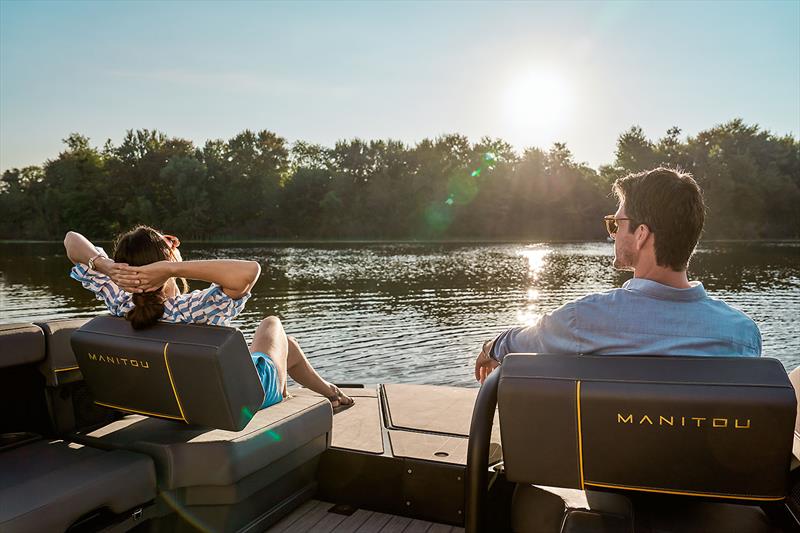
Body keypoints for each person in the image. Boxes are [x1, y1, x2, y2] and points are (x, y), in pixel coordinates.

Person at [474, 167, 762, 384]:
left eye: (616, 224)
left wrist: (491, 346)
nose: (612, 234)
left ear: (640, 235)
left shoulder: (583, 320)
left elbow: (524, 341)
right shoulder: (742, 335)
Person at [64, 225, 353, 410]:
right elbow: (249, 272)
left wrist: (106, 267)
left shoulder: (118, 299)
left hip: (187, 397)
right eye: (169, 249)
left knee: (286, 343)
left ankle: (330, 392)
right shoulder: (192, 309)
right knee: (271, 325)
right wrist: (172, 268)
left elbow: (72, 240)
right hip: (242, 395)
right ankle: (291, 395)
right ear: (165, 261)